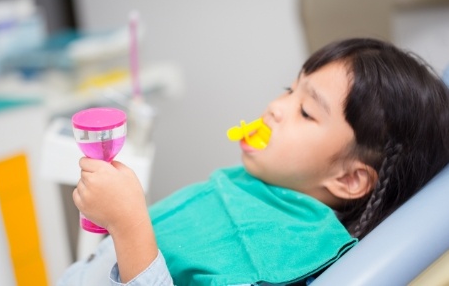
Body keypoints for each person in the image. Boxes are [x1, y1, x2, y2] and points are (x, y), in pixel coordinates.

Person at [59, 38, 449, 286]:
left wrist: (128, 226)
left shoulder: (276, 257)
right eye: (288, 90)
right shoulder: (264, 189)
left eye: (307, 112)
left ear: (348, 179)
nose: (276, 108)